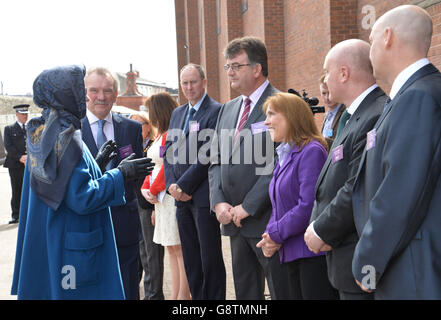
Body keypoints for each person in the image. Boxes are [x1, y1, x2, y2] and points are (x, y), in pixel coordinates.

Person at [11, 65, 153, 299]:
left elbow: (62, 184)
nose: (86, 96)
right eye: (80, 89)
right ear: (65, 94)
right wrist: (121, 173)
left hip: (57, 238)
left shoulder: (45, 129)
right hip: (75, 245)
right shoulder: (66, 136)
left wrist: (94, 166)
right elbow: (81, 198)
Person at [351, 5, 441, 299]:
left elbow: (400, 193)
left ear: (387, 37)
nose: (370, 50)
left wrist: (368, 263)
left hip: (410, 269)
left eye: (372, 39)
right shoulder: (411, 94)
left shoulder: (418, 97)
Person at [208, 36, 291, 300]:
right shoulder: (228, 109)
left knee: (281, 291)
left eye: (236, 66)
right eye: (227, 66)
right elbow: (216, 160)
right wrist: (218, 201)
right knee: (246, 294)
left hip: (268, 221)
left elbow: (281, 162)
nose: (229, 72)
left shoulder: (282, 104)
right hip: (234, 222)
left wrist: (249, 206)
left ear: (256, 69)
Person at [304, 39, 387, 300]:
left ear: (344, 73)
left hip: (356, 255)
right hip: (341, 254)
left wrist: (322, 230)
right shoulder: (352, 115)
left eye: (327, 72)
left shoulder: (374, 114)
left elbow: (359, 185)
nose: (325, 80)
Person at [256, 92, 338, 299]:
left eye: (271, 114)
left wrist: (274, 234)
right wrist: (269, 237)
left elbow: (307, 205)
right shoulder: (285, 152)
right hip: (288, 253)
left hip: (309, 257)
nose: (266, 122)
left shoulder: (312, 151)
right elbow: (278, 204)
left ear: (291, 116)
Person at [81, 67, 144, 300]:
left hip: (123, 226)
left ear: (116, 94)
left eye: (107, 91)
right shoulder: (72, 131)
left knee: (127, 290)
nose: (101, 96)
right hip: (86, 229)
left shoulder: (132, 128)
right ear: (84, 93)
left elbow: (139, 177)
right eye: (94, 90)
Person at [163, 63, 226, 300]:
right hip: (180, 200)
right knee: (190, 258)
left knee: (209, 258)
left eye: (193, 82)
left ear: (204, 82)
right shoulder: (178, 113)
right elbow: (168, 150)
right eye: (185, 83)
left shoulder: (217, 111)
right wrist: (172, 186)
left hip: (202, 197)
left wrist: (184, 186)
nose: (189, 87)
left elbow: (209, 154)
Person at [141, 92, 191, 300]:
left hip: (169, 197)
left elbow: (167, 167)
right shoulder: (161, 134)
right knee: (171, 249)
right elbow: (152, 168)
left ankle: (183, 296)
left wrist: (151, 191)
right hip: (160, 200)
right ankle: (176, 296)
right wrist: (146, 189)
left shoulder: (173, 134)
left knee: (180, 250)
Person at [130, 111, 164, 300]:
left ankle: (154, 295)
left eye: (139, 123)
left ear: (148, 125)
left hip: (148, 205)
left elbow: (156, 176)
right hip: (132, 206)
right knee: (138, 253)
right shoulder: (130, 146)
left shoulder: (154, 145)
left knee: (152, 254)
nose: (135, 127)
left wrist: (153, 209)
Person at [3, 104, 29, 224]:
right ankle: (16, 215)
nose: (25, 116)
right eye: (23, 114)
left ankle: (28, 213)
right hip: (15, 164)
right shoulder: (9, 129)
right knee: (17, 189)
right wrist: (20, 157)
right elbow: (8, 146)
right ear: (17, 115)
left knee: (30, 189)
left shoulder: (31, 128)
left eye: (26, 114)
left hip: (30, 163)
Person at [319, 75, 345, 149]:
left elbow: (342, 142)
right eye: (324, 93)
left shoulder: (346, 112)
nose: (327, 97)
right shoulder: (326, 116)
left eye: (329, 92)